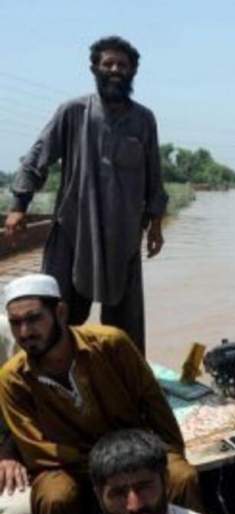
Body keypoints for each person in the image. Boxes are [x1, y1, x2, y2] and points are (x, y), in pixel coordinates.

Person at [0, 274, 202, 514]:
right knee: (54, 497)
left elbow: (154, 405)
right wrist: (104, 471)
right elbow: (38, 451)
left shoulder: (112, 344)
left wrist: (171, 453)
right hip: (66, 466)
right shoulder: (11, 379)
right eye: (16, 323)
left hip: (133, 451)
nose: (24, 332)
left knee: (181, 476)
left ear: (60, 312)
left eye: (34, 319)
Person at [4, 35, 168, 353]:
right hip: (74, 230)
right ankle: (50, 382)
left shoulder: (144, 120)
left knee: (125, 330)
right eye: (108, 64)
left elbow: (154, 176)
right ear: (95, 68)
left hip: (124, 235)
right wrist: (19, 204)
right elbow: (38, 155)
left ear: (133, 71)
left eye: (122, 64)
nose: (115, 70)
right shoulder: (73, 112)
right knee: (56, 316)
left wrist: (156, 226)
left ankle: (124, 385)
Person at [55, 429, 224, 514]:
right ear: (99, 495)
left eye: (143, 487)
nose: (134, 506)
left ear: (165, 481)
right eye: (119, 493)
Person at [0, 314, 33, 514]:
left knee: (22, 512)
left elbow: (31, 399)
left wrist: (10, 450)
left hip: (6, 449)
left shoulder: (6, 330)